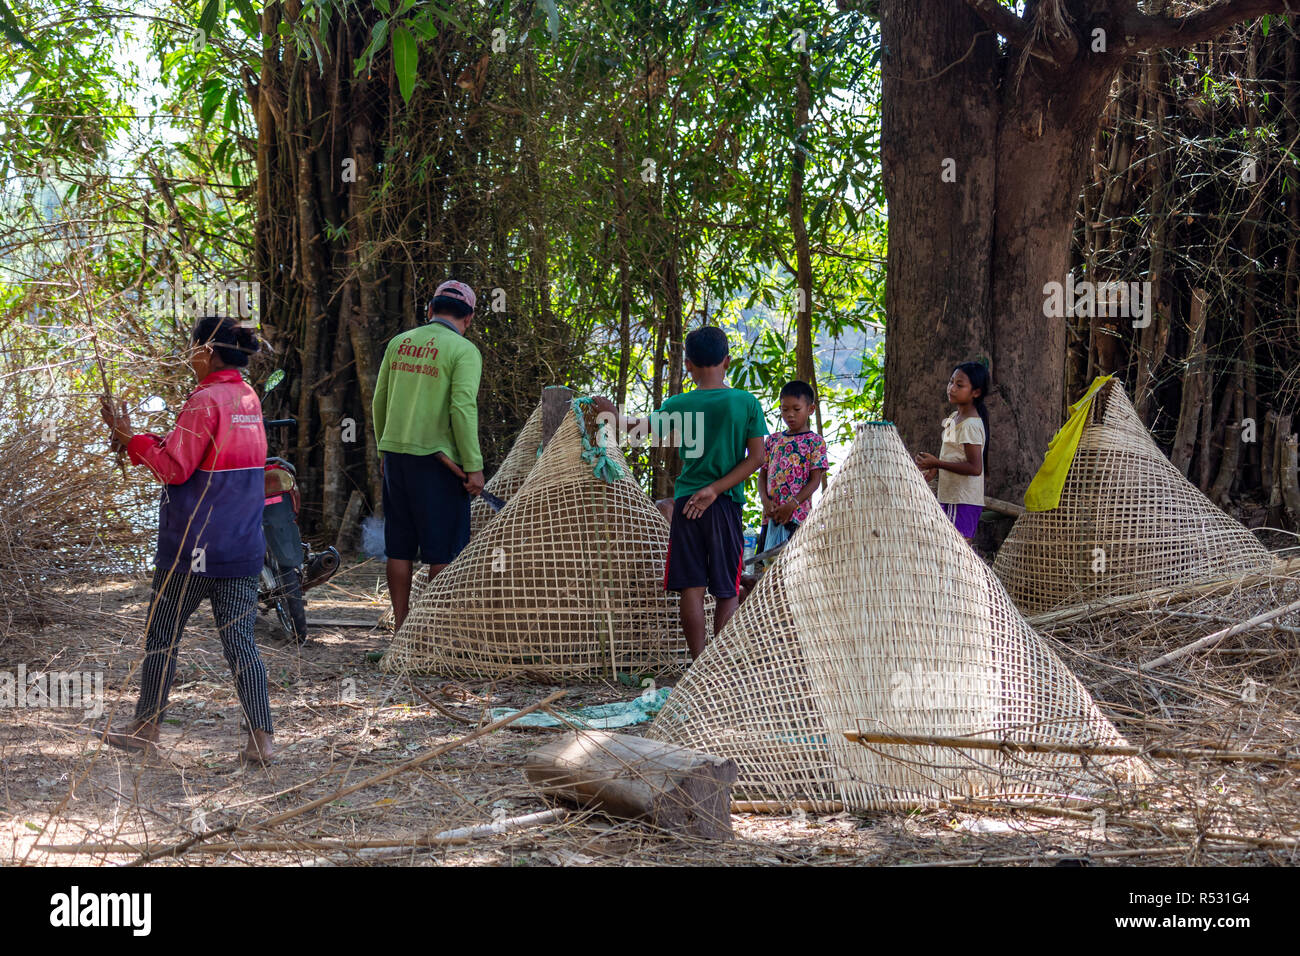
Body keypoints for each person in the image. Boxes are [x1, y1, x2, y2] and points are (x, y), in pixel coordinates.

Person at [99, 316, 275, 764]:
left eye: (193, 345)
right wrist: (138, 440)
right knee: (241, 642)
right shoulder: (247, 397)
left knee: (162, 635)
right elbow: (199, 457)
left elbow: (175, 469)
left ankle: (145, 730)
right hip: (242, 544)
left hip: (191, 546)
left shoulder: (204, 400)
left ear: (208, 351)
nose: (189, 353)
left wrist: (130, 440)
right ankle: (262, 740)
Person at [595, 327, 766, 658]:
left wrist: (611, 413)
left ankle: (697, 662)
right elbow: (757, 459)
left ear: (687, 365)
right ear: (727, 361)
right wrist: (715, 490)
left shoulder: (679, 404)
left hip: (687, 505)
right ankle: (719, 667)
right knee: (727, 590)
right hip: (724, 504)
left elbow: (637, 430)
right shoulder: (745, 403)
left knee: (692, 586)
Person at [373, 279, 485, 629]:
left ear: (431, 310)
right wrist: (475, 467)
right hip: (441, 465)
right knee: (444, 551)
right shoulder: (464, 351)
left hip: (396, 457)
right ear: (468, 319)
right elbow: (462, 409)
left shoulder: (399, 343)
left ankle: (402, 630)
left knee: (400, 547)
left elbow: (379, 401)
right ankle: (432, 635)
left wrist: (383, 446)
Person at [914, 361, 989, 540]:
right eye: (951, 382)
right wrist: (935, 468)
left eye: (959, 385)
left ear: (976, 392)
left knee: (957, 553)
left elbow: (974, 467)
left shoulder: (970, 425)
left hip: (962, 499)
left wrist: (937, 462)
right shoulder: (955, 418)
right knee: (948, 551)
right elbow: (952, 454)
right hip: (950, 495)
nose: (951, 388)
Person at [758, 380, 829, 555]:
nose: (790, 415)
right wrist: (765, 501)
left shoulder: (815, 442)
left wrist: (792, 504)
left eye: (796, 409)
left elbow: (815, 481)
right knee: (767, 565)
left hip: (797, 515)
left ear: (810, 409)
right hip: (771, 515)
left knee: (793, 562)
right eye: (785, 409)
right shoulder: (773, 440)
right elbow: (762, 476)